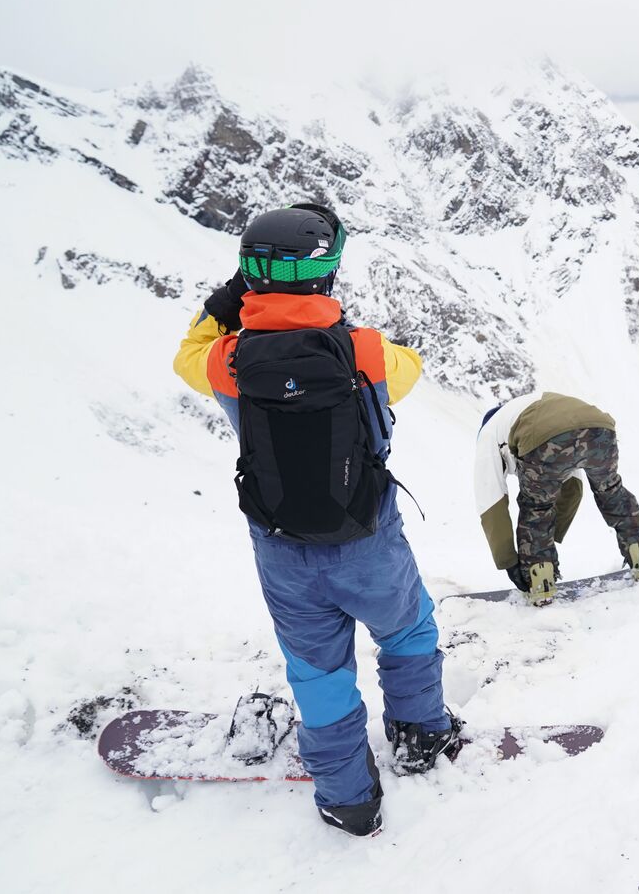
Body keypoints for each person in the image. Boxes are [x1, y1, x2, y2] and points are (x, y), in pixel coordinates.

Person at [173, 203, 457, 837]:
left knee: (318, 674)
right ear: (326, 273)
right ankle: (420, 737)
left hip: (282, 552)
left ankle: (348, 798)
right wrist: (336, 330)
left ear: (252, 275)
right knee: (408, 632)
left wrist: (230, 298)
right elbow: (407, 367)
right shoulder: (368, 353)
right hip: (368, 540)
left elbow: (185, 354)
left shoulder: (227, 361)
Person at [475, 391, 639, 604]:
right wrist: (550, 537)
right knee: (611, 491)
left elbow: (491, 500)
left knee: (537, 508)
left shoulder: (488, 434)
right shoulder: (531, 407)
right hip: (600, 427)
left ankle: (540, 581)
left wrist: (509, 561)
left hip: (544, 436)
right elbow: (572, 485)